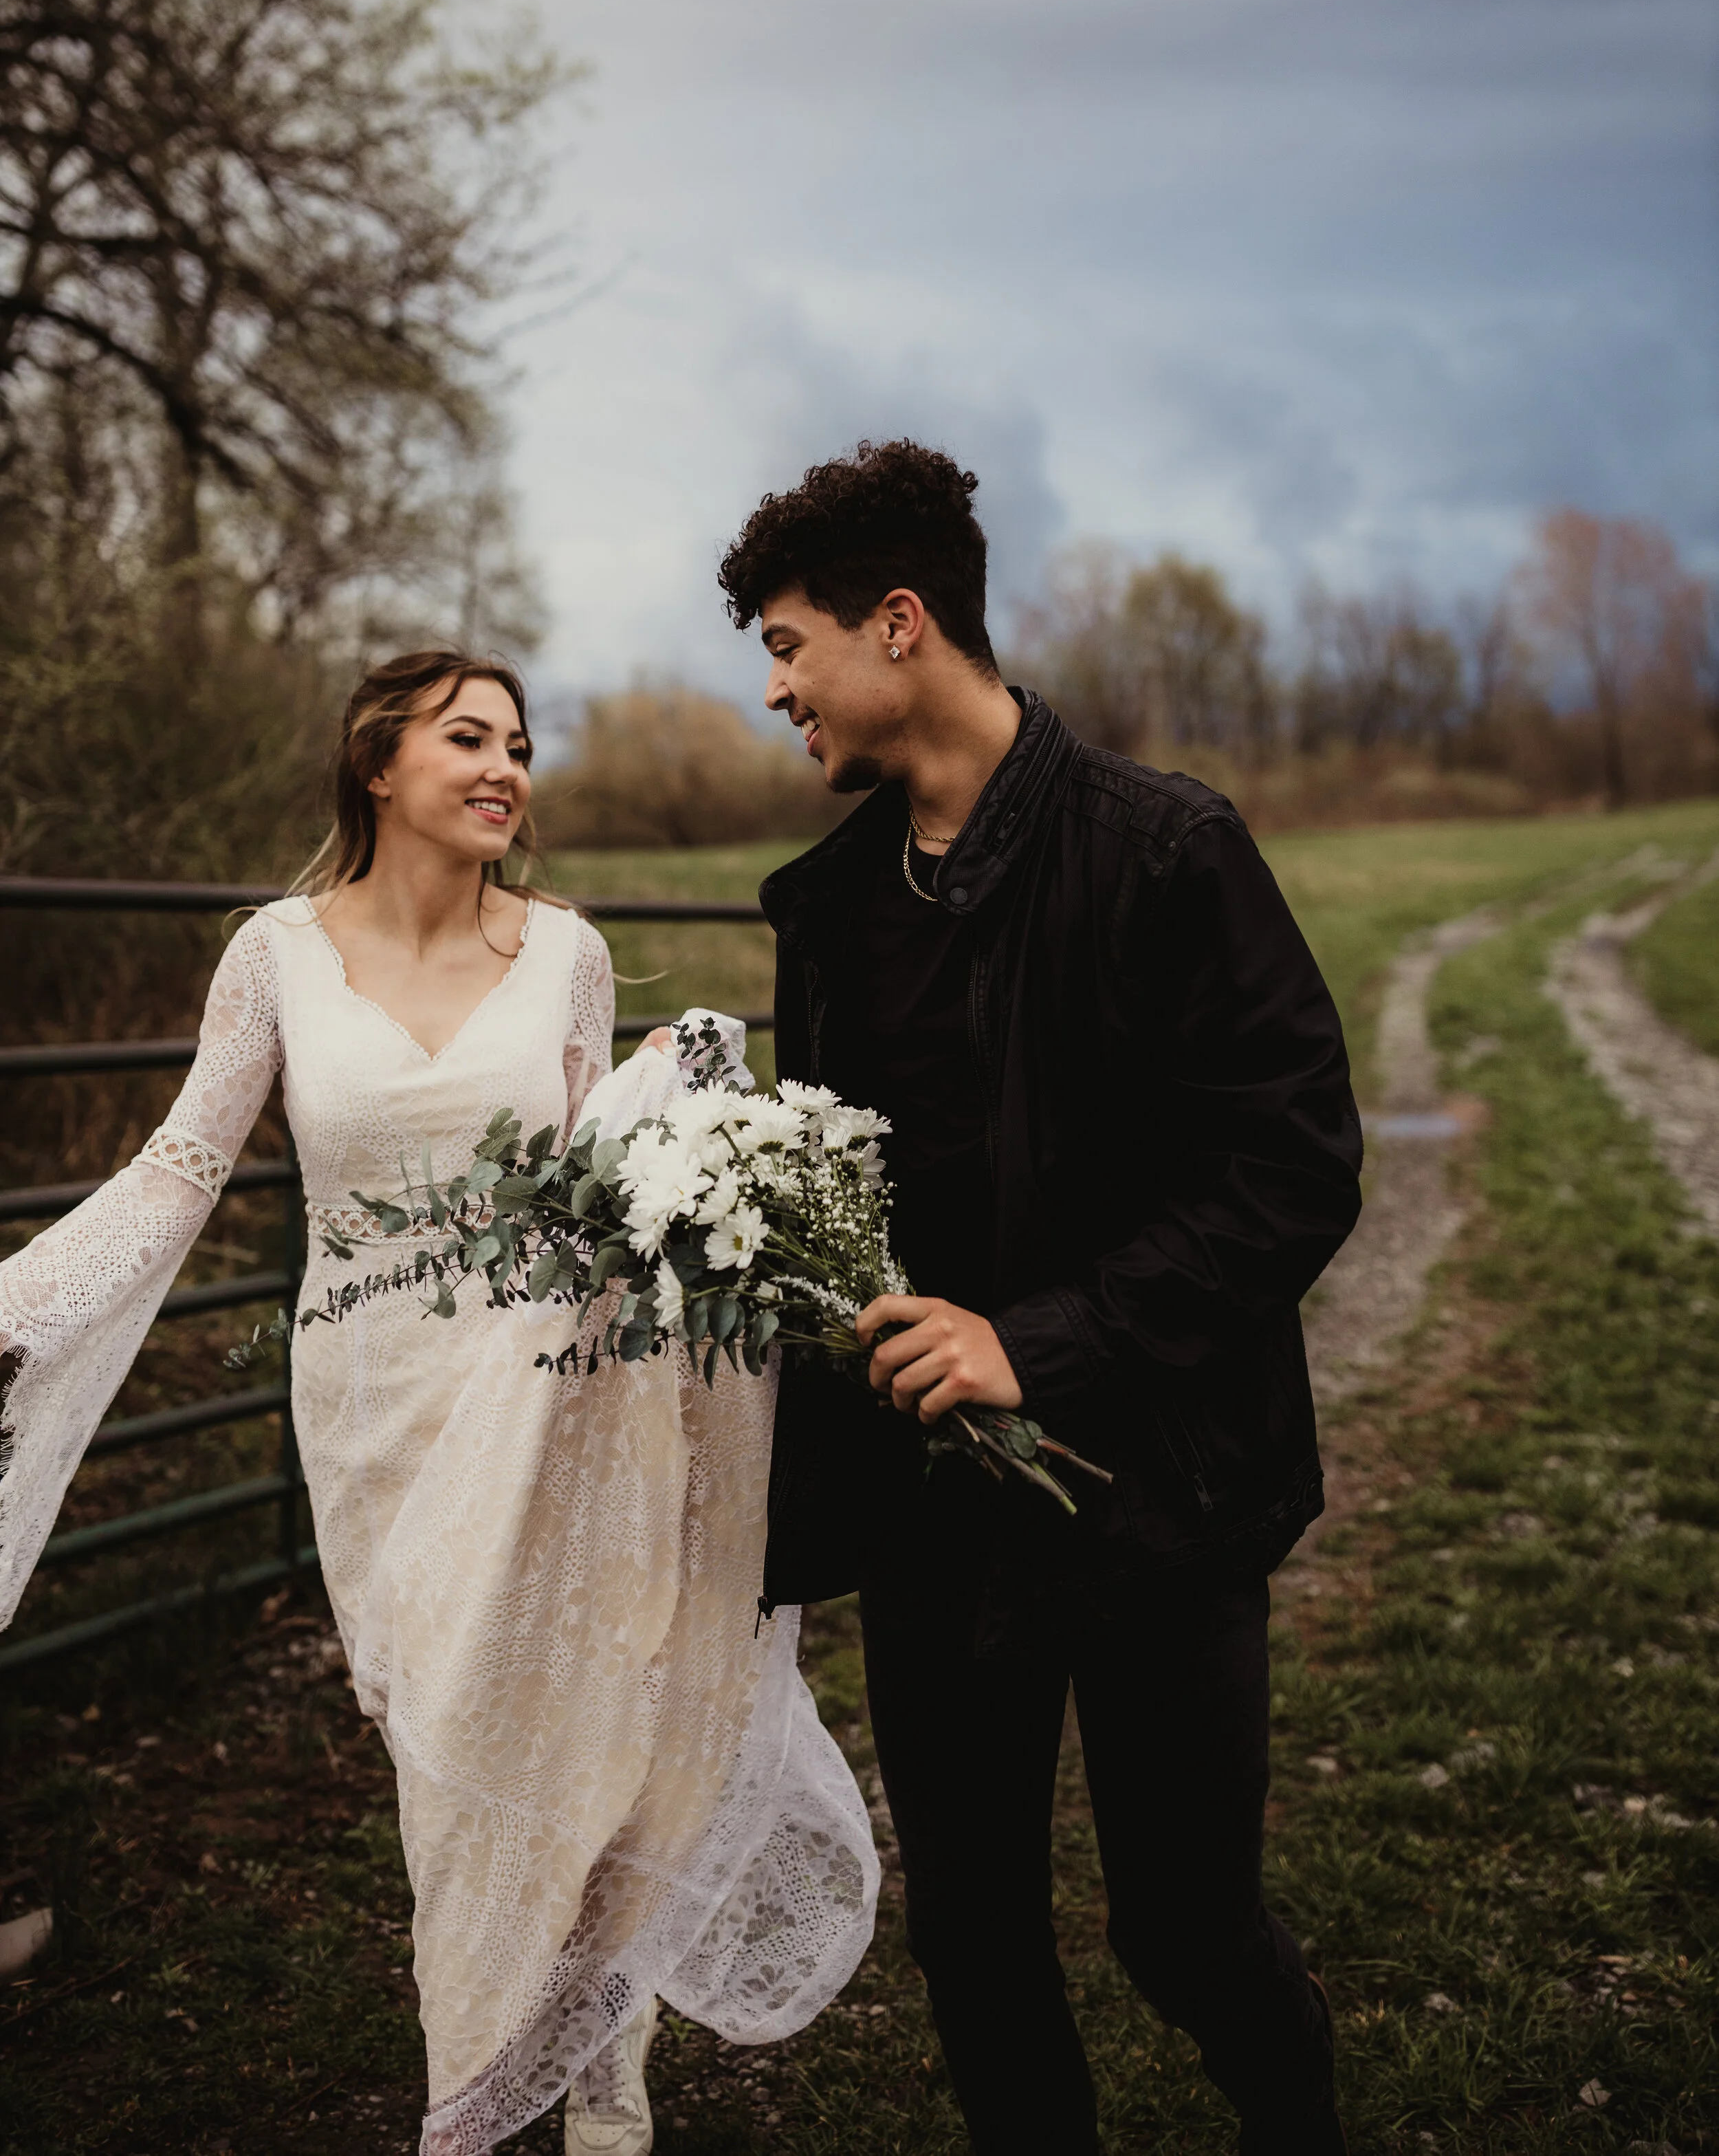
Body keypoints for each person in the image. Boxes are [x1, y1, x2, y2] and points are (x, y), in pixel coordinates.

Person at [0, 649, 876, 2156]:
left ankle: (595, 2077)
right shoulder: (272, 955)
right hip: (376, 1406)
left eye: (519, 745)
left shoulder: (568, 953)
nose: (504, 768)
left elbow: (600, 1185)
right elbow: (176, 1175)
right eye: (468, 737)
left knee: (596, 1712)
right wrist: (20, 1307)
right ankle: (489, 2064)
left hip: (560, 1392)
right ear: (375, 761)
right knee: (454, 1750)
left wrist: (677, 1116)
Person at [716, 444, 1362, 2155]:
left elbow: (1294, 1167)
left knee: (1179, 1930)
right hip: (937, 1519)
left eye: (788, 644)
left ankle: (1297, 2115)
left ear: (899, 625)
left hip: (1159, 1494)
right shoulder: (839, 908)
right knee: (973, 1941)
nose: (775, 688)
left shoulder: (1166, 850)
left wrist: (1039, 1342)